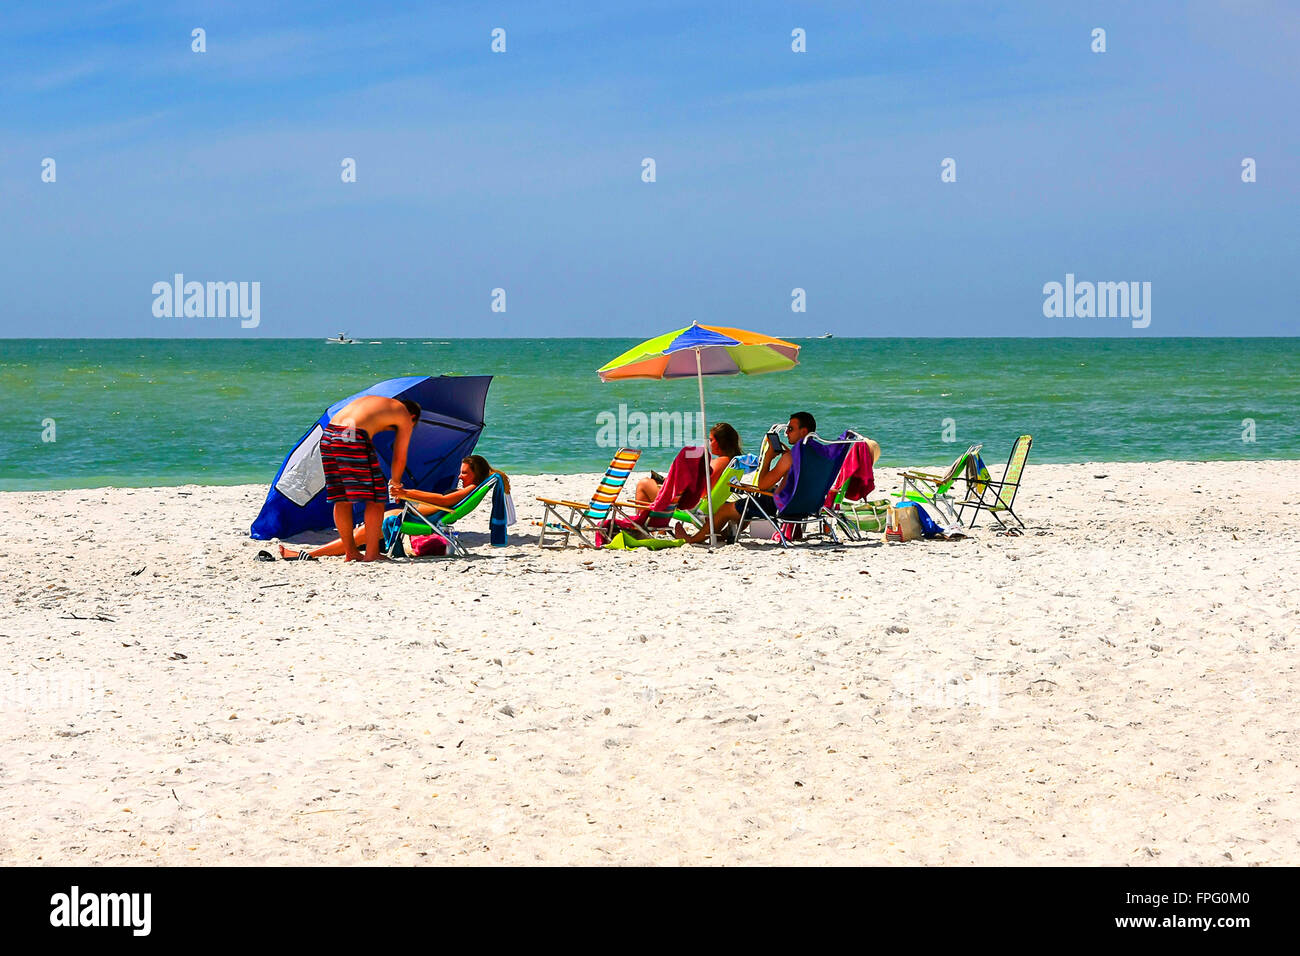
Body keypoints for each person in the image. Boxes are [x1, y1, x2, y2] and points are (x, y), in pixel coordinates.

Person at [280, 455, 507, 559]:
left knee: (362, 534)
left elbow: (444, 501)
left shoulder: (468, 489)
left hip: (417, 519)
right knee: (363, 535)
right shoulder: (467, 488)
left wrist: (407, 493)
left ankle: (308, 553)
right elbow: (440, 499)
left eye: (464, 472)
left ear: (475, 474)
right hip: (415, 514)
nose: (460, 475)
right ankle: (312, 553)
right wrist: (408, 497)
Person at [674, 411, 816, 543]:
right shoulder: (816, 455)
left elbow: (762, 485)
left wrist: (768, 458)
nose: (786, 432)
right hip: (808, 505)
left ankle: (691, 540)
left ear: (803, 432)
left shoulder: (790, 457)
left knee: (725, 509)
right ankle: (724, 535)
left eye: (790, 429)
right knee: (746, 504)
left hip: (780, 505)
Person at [317, 395, 419, 562]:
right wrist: (395, 482)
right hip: (352, 436)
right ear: (413, 417)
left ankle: (351, 552)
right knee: (376, 497)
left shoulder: (379, 403)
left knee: (342, 498)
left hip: (329, 434)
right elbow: (399, 456)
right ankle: (372, 554)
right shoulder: (404, 414)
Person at [633, 423, 742, 509]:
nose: (709, 443)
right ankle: (659, 529)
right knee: (658, 485)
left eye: (711, 440)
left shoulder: (719, 462)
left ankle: (641, 528)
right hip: (709, 503)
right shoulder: (733, 462)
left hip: (690, 504)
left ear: (718, 442)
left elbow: (703, 491)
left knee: (644, 483)